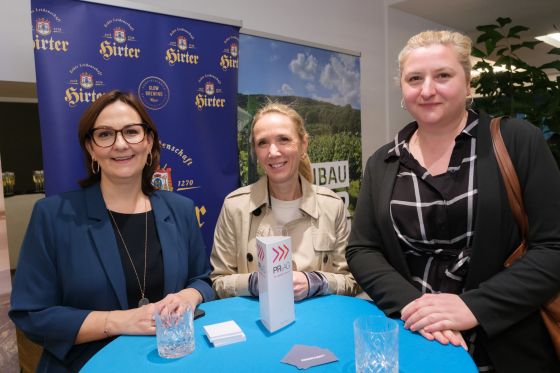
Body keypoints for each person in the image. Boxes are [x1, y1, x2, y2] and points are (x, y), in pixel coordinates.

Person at [346, 30, 560, 372]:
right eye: (415, 78)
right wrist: (418, 309)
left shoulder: (518, 142)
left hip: (507, 348)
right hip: (415, 342)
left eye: (443, 75)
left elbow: (553, 247)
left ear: (468, 83)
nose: (427, 89)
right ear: (402, 88)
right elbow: (362, 249)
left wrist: (473, 307)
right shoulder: (382, 162)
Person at [9, 90, 214, 372]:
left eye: (132, 131)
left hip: (170, 362)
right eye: (105, 134)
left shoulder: (180, 209)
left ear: (149, 141)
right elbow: (32, 313)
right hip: (85, 364)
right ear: (91, 148)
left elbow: (202, 279)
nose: (120, 144)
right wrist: (118, 321)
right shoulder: (53, 215)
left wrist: (188, 297)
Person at [211, 102, 359, 301]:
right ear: (255, 151)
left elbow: (350, 282)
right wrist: (256, 283)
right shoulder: (235, 206)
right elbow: (218, 282)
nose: (273, 152)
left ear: (303, 144)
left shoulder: (332, 206)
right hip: (259, 325)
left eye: (283, 139)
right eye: (263, 143)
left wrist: (314, 282)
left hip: (318, 326)